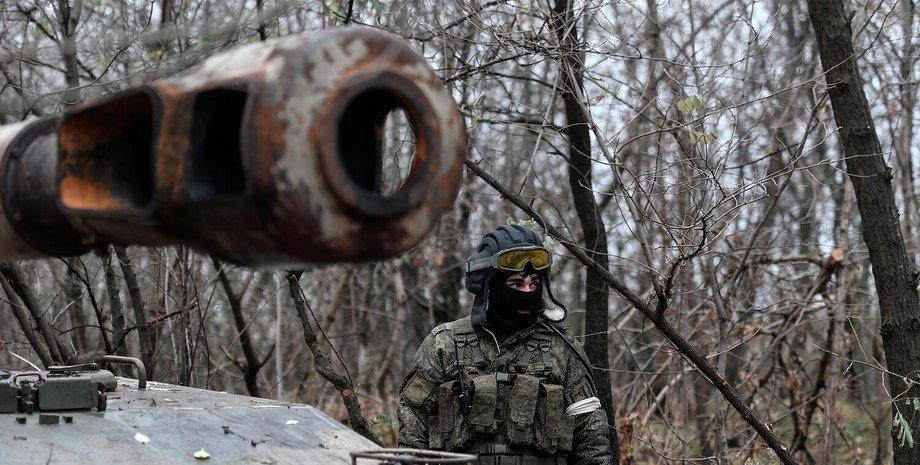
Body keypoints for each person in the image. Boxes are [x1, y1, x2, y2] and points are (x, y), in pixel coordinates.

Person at [397, 224, 611, 465]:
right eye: (516, 284)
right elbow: (413, 422)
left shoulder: (561, 347)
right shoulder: (444, 344)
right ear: (490, 285)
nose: (527, 292)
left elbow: (591, 437)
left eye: (534, 283)